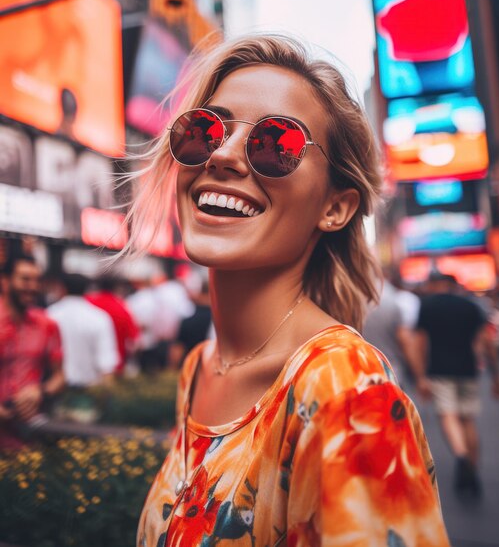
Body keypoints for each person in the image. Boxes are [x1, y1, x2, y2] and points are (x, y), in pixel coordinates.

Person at [124, 34, 450, 545]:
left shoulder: (345, 389)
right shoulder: (200, 368)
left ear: (335, 208)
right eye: (204, 129)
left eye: (278, 143)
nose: (224, 156)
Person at [413, 272, 499, 498]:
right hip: (468, 369)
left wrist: (421, 375)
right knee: (468, 419)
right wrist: (495, 374)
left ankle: (461, 456)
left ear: (436, 284)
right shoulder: (470, 306)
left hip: (440, 370)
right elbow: (485, 340)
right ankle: (472, 468)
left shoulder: (428, 306)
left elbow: (421, 342)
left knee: (448, 415)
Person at [0, 254, 64, 447]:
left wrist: (40, 392)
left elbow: (59, 377)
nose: (33, 286)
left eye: (37, 280)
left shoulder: (47, 324)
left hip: (28, 437)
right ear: (5, 281)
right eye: (25, 279)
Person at [47, 273, 119, 387]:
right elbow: (107, 365)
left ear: (62, 289)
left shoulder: (49, 315)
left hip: (53, 388)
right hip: (89, 390)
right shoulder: (99, 317)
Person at [363, 278, 415, 387]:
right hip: (392, 370)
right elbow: (404, 340)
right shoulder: (394, 302)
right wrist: (419, 376)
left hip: (364, 369)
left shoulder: (357, 304)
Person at [86, 274, 140, 374]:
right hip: (114, 367)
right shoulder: (122, 307)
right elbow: (134, 341)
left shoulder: (87, 302)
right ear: (116, 287)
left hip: (87, 366)